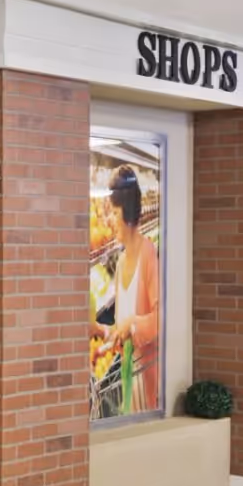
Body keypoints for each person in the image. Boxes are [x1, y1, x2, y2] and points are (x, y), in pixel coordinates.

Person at [102, 166, 160, 413]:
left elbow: (162, 318)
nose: (110, 221)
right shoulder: (122, 260)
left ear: (126, 213)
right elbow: (121, 326)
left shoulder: (149, 255)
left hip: (147, 378)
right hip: (129, 378)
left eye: (114, 213)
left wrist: (133, 325)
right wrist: (105, 333)